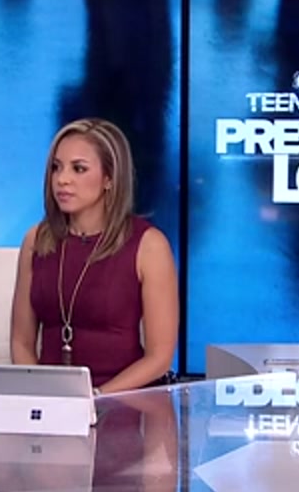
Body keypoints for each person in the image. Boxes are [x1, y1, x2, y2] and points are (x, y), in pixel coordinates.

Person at [10, 118, 179, 393]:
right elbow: (21, 342)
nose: (62, 179)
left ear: (109, 179)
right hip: (51, 401)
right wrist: (41, 396)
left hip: (122, 400)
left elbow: (159, 358)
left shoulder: (149, 246)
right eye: (56, 167)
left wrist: (96, 398)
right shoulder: (36, 240)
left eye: (79, 169)